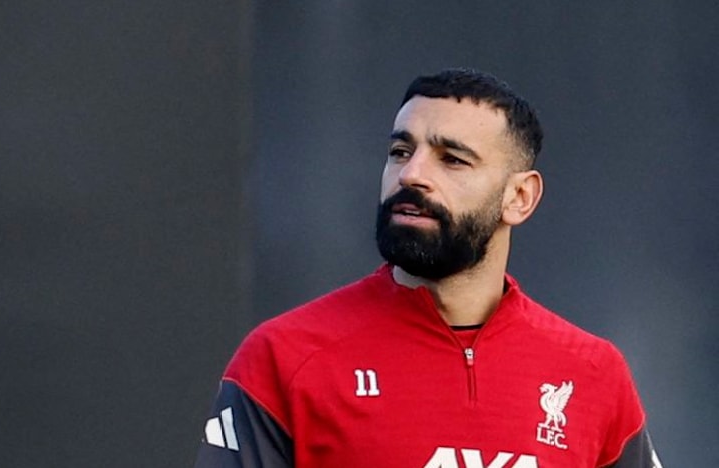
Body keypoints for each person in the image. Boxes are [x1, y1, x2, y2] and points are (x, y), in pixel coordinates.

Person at [194, 68, 662, 467]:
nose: (412, 174)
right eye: (401, 152)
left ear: (520, 197)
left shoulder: (594, 373)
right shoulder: (284, 357)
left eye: (452, 160)